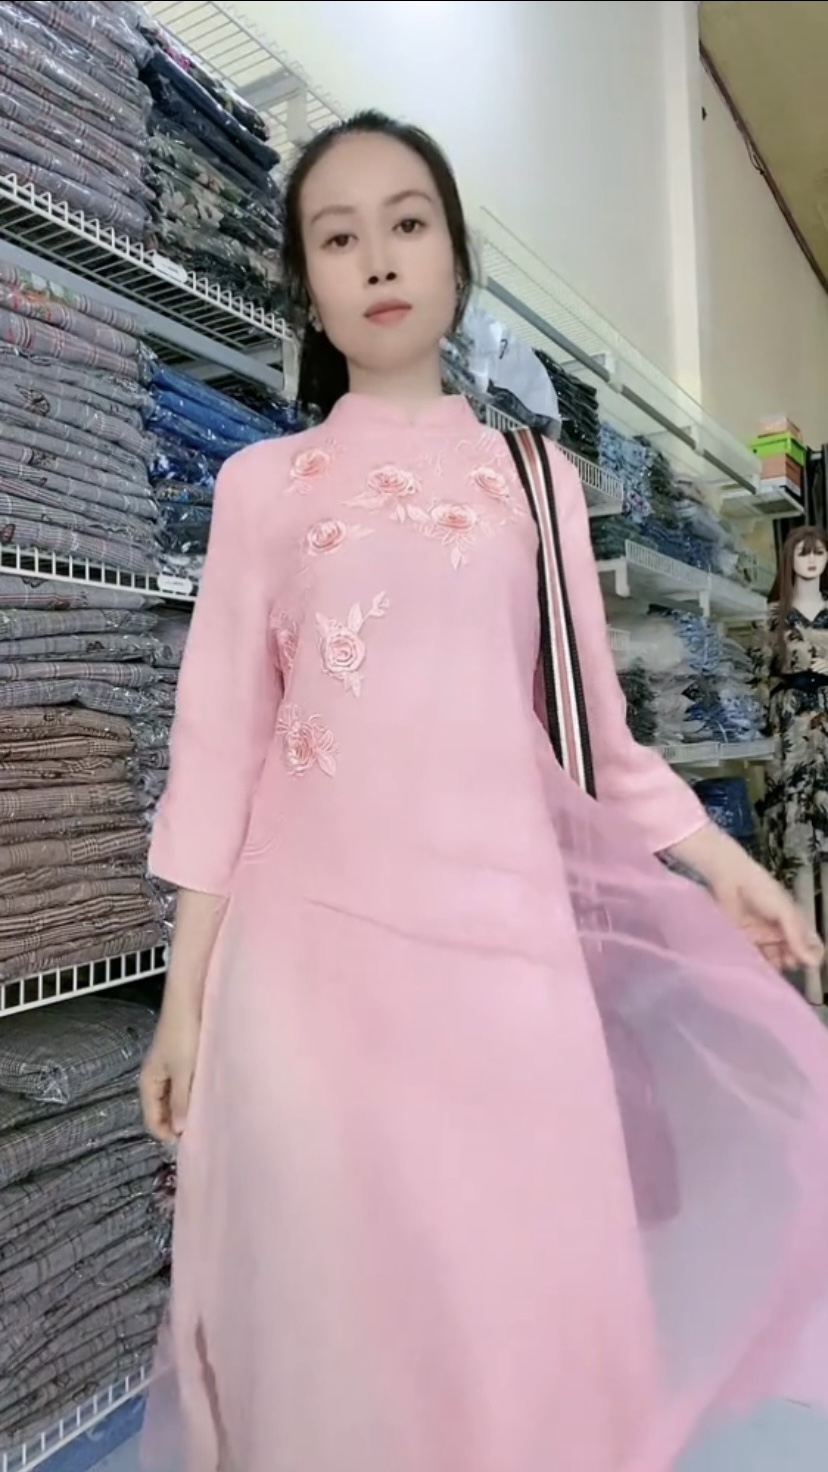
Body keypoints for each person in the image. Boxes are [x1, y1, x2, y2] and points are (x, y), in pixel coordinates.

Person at [140, 111, 828, 1472]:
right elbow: (219, 751)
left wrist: (729, 867)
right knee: (339, 1327)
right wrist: (184, 1004)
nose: (378, 258)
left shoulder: (536, 480)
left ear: (455, 258)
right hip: (307, 976)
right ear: (306, 282)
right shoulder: (258, 487)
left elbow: (598, 741)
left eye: (408, 224)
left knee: (522, 1309)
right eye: (338, 237)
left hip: (507, 969)